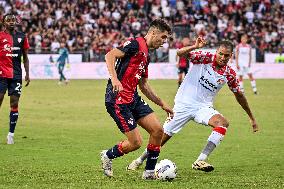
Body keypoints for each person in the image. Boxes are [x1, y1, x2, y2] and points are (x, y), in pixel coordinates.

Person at [127, 37, 259, 172]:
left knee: (222, 123)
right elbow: (179, 53)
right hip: (183, 104)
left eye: (226, 55)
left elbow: (239, 95)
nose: (223, 57)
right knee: (162, 137)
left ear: (231, 56)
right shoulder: (205, 58)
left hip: (203, 107)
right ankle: (139, 160)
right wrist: (194, 46)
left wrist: (251, 117)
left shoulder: (229, 74)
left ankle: (200, 160)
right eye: (220, 53)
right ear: (216, 52)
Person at [100, 19, 174, 180]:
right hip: (118, 100)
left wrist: (163, 104)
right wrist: (115, 79)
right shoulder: (135, 44)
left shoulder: (146, 55)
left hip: (132, 97)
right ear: (153, 32)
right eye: (162, 37)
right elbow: (110, 55)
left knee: (157, 131)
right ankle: (107, 155)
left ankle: (148, 173)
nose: (163, 42)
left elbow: (144, 85)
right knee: (136, 143)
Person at [0, 13, 30, 144]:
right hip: (1, 75)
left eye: (13, 20)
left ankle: (11, 134)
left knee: (14, 103)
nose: (11, 22)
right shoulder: (0, 36)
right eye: (8, 20)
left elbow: (26, 57)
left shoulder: (22, 37)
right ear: (3, 23)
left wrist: (27, 74)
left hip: (16, 75)